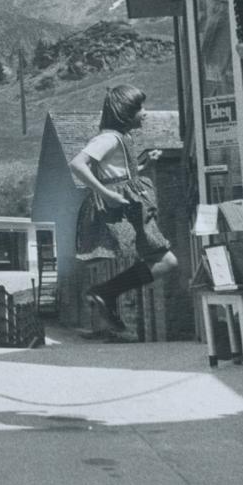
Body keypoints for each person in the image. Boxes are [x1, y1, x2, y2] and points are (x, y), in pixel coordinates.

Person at [71, 84, 179, 336]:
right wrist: (105, 193)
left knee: (165, 260)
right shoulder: (108, 138)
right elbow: (78, 164)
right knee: (166, 260)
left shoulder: (123, 138)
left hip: (133, 203)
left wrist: (143, 165)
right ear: (125, 112)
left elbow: (119, 174)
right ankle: (106, 293)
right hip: (124, 207)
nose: (146, 112)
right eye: (140, 108)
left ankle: (106, 293)